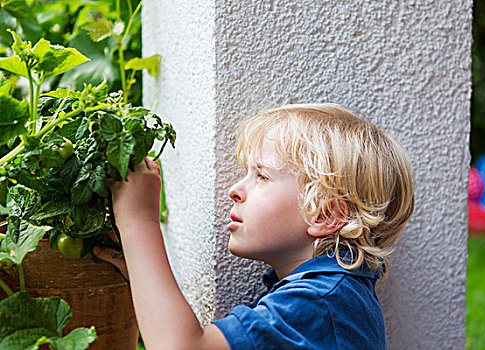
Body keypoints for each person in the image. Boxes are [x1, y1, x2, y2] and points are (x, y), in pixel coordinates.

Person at [94, 103, 415, 349]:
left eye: (261, 176)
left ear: (325, 215)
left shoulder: (318, 301)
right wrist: (140, 270)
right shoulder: (335, 295)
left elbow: (183, 346)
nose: (235, 189)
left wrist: (138, 222)